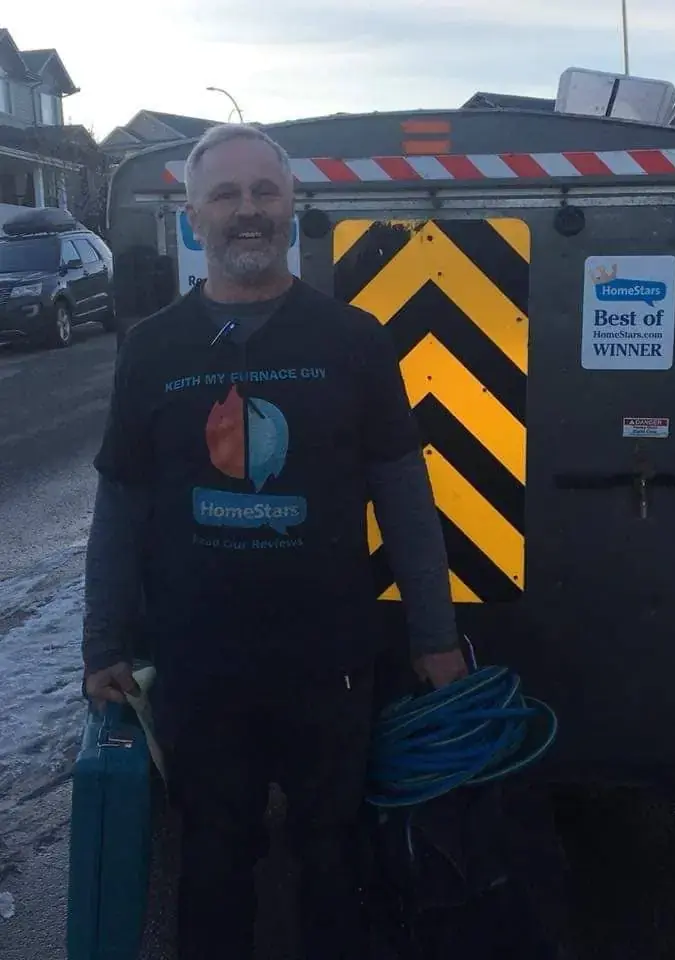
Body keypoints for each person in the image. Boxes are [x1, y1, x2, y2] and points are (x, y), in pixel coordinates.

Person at [82, 123, 467, 960]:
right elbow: (122, 503)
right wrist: (103, 641)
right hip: (199, 664)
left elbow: (405, 498)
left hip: (328, 662)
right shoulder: (152, 349)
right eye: (225, 194)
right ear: (193, 217)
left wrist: (435, 638)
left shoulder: (353, 341)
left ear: (294, 206)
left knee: (335, 855)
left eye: (264, 191)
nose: (246, 210)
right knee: (213, 858)